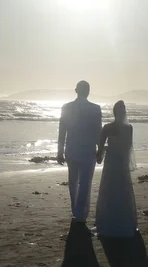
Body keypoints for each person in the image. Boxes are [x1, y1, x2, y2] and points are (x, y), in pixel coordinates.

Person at [57, 81, 103, 223]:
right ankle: (81, 214)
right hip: (88, 150)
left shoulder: (66, 107)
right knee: (85, 183)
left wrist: (59, 151)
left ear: (76, 90)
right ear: (88, 92)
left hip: (71, 149)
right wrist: (100, 150)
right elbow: (98, 132)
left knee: (73, 182)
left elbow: (62, 132)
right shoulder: (95, 108)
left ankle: (76, 211)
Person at [95, 100, 138, 237]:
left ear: (114, 112)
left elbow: (100, 147)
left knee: (109, 191)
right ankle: (125, 221)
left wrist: (99, 157)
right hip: (122, 163)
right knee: (123, 192)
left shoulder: (107, 127)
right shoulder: (129, 128)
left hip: (111, 162)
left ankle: (108, 221)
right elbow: (128, 147)